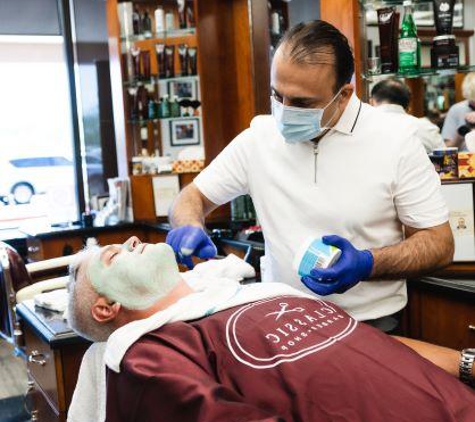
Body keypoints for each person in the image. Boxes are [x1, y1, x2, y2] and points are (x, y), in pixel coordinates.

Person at [166, 20, 454, 332]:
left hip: (371, 327)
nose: (285, 112)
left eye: (302, 103)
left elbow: (439, 244)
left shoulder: (396, 141)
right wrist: (189, 225)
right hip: (282, 323)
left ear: (344, 95)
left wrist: (366, 263)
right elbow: (191, 197)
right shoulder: (259, 137)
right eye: (278, 96)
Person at [67, 237, 475, 422]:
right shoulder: (153, 353)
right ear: (107, 308)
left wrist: (468, 364)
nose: (133, 239)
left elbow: (368, 344)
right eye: (113, 255)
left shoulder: (257, 294)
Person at [369, 78, 445, 153]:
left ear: (371, 102)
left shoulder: (362, 128)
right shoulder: (426, 128)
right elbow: (447, 160)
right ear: (408, 108)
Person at [442, 72, 475, 150]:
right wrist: (460, 135)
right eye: (472, 100)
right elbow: (447, 147)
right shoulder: (456, 110)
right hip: (465, 159)